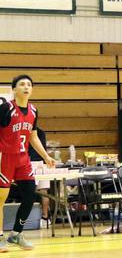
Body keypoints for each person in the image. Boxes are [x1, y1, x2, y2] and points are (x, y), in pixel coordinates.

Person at [0, 76, 56, 250]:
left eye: (29, 85)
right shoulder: (5, 108)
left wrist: (46, 156)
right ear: (14, 89)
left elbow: (33, 136)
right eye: (22, 84)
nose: (26, 87)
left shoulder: (33, 110)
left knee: (30, 195)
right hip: (5, 157)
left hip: (23, 159)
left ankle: (16, 234)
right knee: (1, 199)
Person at [27, 127, 51, 224]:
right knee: (44, 192)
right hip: (42, 163)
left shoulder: (25, 131)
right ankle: (45, 217)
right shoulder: (41, 132)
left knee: (29, 192)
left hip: (30, 163)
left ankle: (28, 219)